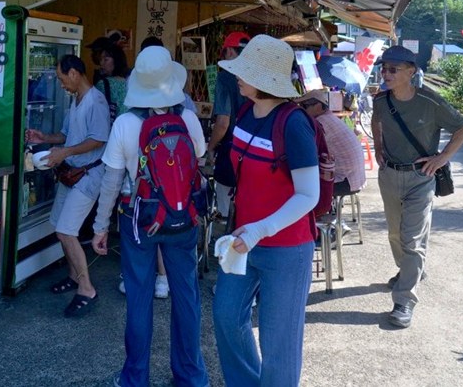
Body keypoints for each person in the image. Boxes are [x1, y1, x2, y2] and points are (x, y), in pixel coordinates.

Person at [91, 46, 209, 387]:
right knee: (185, 296)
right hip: (182, 217)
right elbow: (197, 159)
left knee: (139, 299)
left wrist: (100, 227)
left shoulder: (126, 123)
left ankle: (134, 378)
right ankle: (191, 377)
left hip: (138, 219)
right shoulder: (186, 118)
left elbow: (112, 182)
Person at [211, 35, 320, 387]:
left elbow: (309, 195)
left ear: (263, 80)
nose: (237, 76)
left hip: (286, 248)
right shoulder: (245, 112)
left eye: (245, 71)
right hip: (243, 242)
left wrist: (260, 229)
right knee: (226, 316)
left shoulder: (293, 123)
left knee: (279, 342)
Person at [371, 45, 463, 328]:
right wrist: (378, 147)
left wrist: (441, 159)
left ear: (411, 72)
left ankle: (404, 299)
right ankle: (409, 271)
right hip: (390, 174)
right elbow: (376, 121)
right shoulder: (381, 101)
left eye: (393, 69)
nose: (386, 73)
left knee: (412, 239)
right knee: (394, 233)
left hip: (420, 178)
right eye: (384, 68)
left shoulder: (431, 102)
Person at [25, 54, 110, 318]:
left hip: (88, 175)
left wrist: (64, 152)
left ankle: (86, 289)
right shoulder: (76, 100)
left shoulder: (96, 101)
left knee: (66, 231)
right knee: (59, 224)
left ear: (74, 73)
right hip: (71, 172)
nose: (61, 84)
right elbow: (65, 134)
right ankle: (74, 276)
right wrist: (45, 138)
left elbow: (98, 139)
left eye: (62, 78)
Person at [204, 31, 250, 220]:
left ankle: (227, 244)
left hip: (232, 150)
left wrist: (211, 147)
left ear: (230, 51)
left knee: (226, 211)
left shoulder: (225, 78)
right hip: (256, 150)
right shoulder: (257, 77)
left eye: (224, 52)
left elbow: (223, 122)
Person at [301, 89, 366, 198]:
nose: (302, 110)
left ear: (317, 105)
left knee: (302, 187)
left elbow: (308, 151)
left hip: (346, 180)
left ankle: (316, 214)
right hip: (356, 178)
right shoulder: (329, 118)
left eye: (304, 106)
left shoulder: (321, 122)